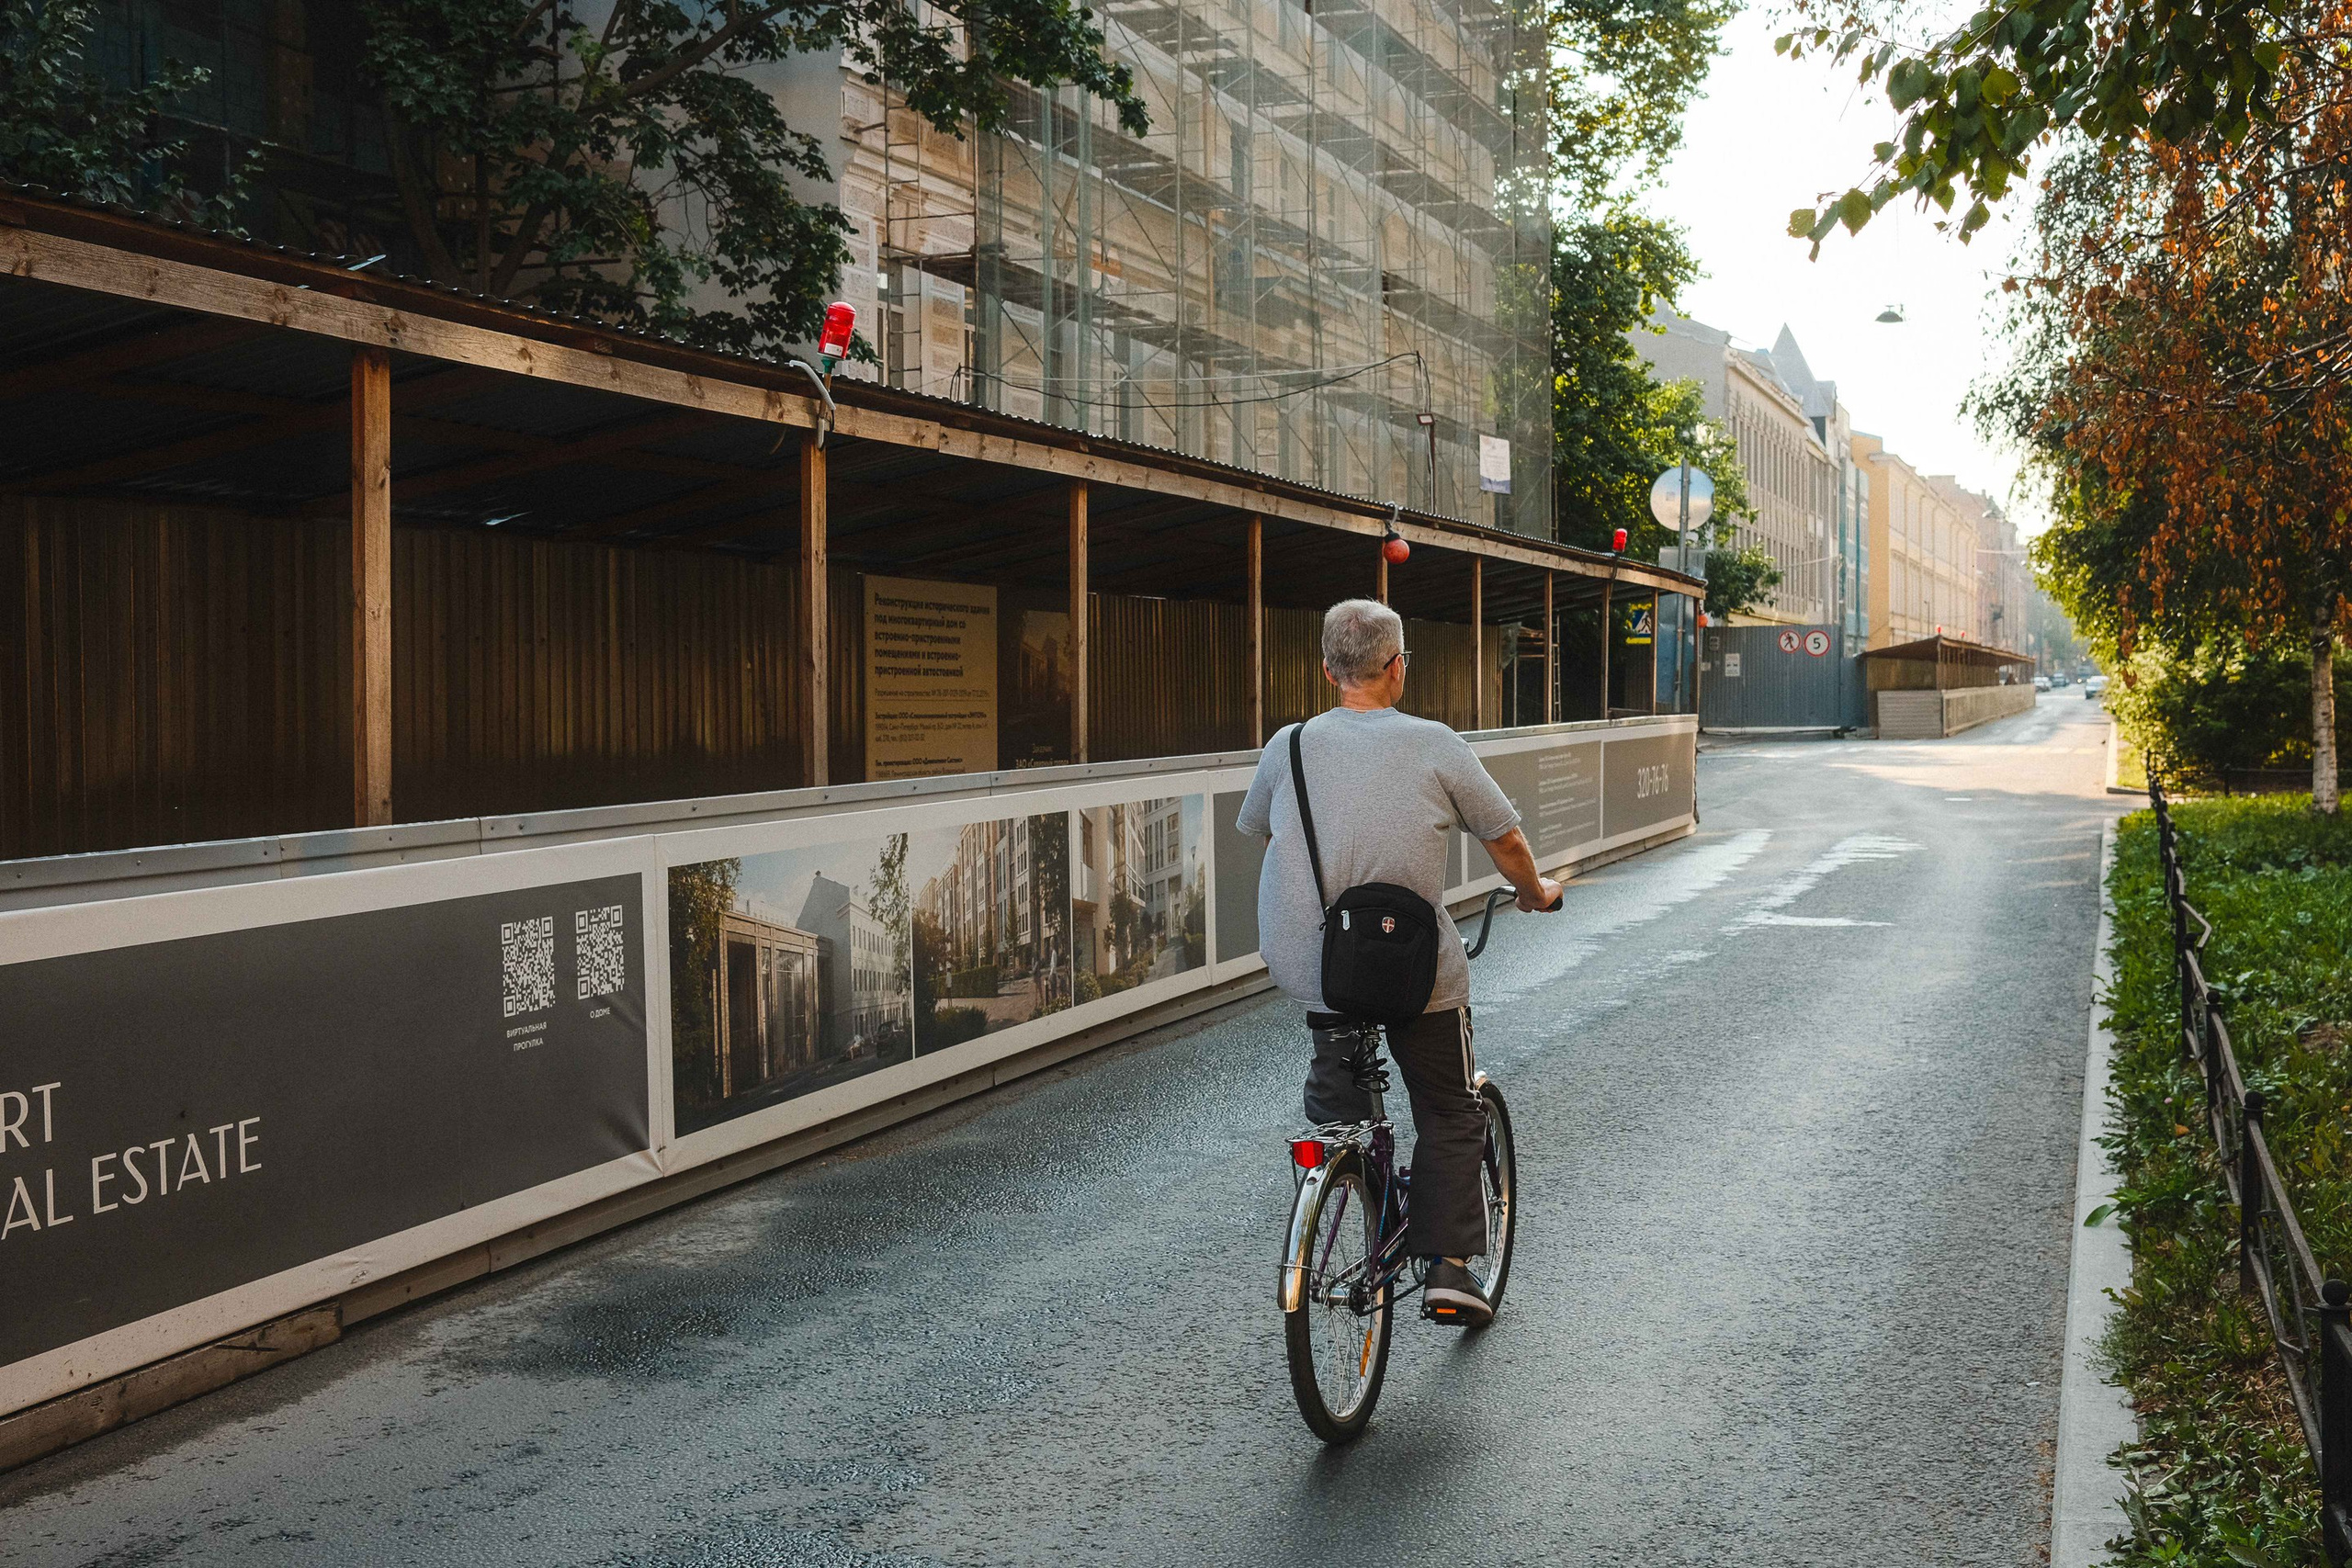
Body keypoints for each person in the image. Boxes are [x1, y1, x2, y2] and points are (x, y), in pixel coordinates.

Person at [1236, 597, 1561, 1327]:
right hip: (1415, 972)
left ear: (1327, 671)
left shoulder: (1286, 746)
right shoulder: (1435, 741)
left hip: (1319, 968)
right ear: (1397, 668)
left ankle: (1346, 1168)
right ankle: (1446, 1263)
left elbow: (1264, 831)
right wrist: (1536, 893)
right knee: (1449, 1107)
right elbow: (1505, 839)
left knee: (1341, 1108)